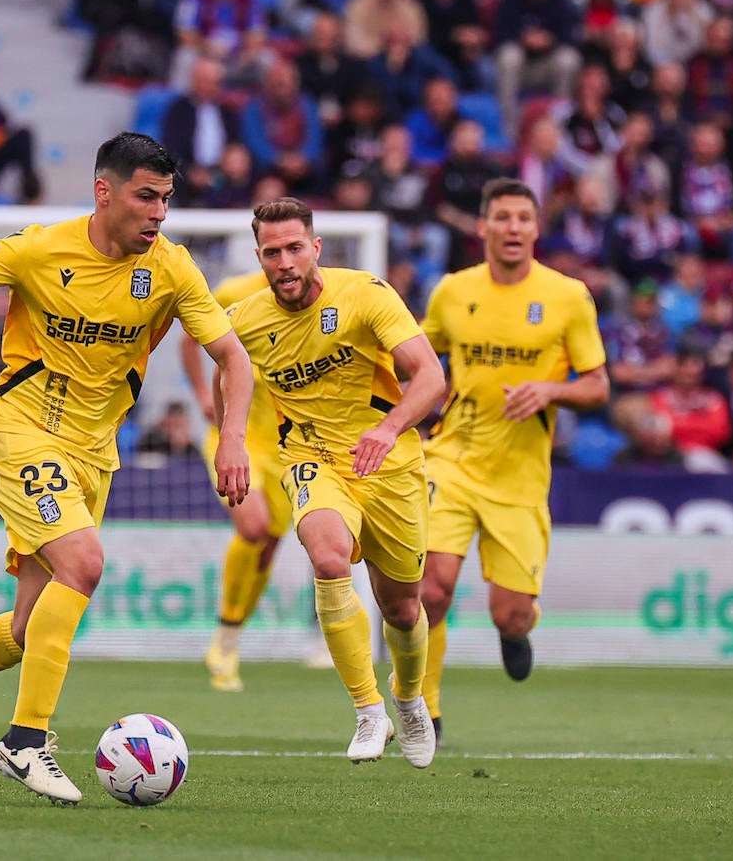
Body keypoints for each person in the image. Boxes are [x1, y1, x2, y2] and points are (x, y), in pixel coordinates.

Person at [0, 132, 253, 805]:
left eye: (166, 200)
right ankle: (24, 741)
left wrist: (230, 437)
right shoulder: (40, 248)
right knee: (85, 564)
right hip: (21, 432)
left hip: (95, 454)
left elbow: (233, 358)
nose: (158, 213)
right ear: (105, 191)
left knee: (22, 631)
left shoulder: (174, 268)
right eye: (145, 196)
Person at [222, 197, 445, 768]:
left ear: (315, 248)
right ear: (260, 258)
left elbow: (430, 377)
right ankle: (369, 711)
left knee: (401, 608)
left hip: (387, 465)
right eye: (272, 252)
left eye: (295, 248)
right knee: (327, 558)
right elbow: (229, 369)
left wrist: (390, 429)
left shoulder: (365, 294)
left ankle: (409, 699)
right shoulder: (246, 319)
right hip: (313, 460)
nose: (285, 262)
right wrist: (231, 438)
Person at [419, 178, 609, 748]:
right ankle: (425, 710)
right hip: (451, 458)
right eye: (501, 217)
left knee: (511, 613)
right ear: (482, 227)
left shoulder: (568, 296)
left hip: (521, 479)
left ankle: (516, 630)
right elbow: (420, 358)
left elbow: (598, 385)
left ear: (536, 228)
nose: (512, 228)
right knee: (431, 590)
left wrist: (551, 392)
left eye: (523, 218)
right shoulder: (452, 292)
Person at [180, 269, 292, 692]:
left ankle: (229, 642)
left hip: (285, 445)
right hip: (232, 435)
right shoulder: (233, 293)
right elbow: (190, 339)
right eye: (272, 249)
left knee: (269, 547)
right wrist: (201, 394)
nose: (282, 261)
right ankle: (225, 636)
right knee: (254, 527)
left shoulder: (320, 301)